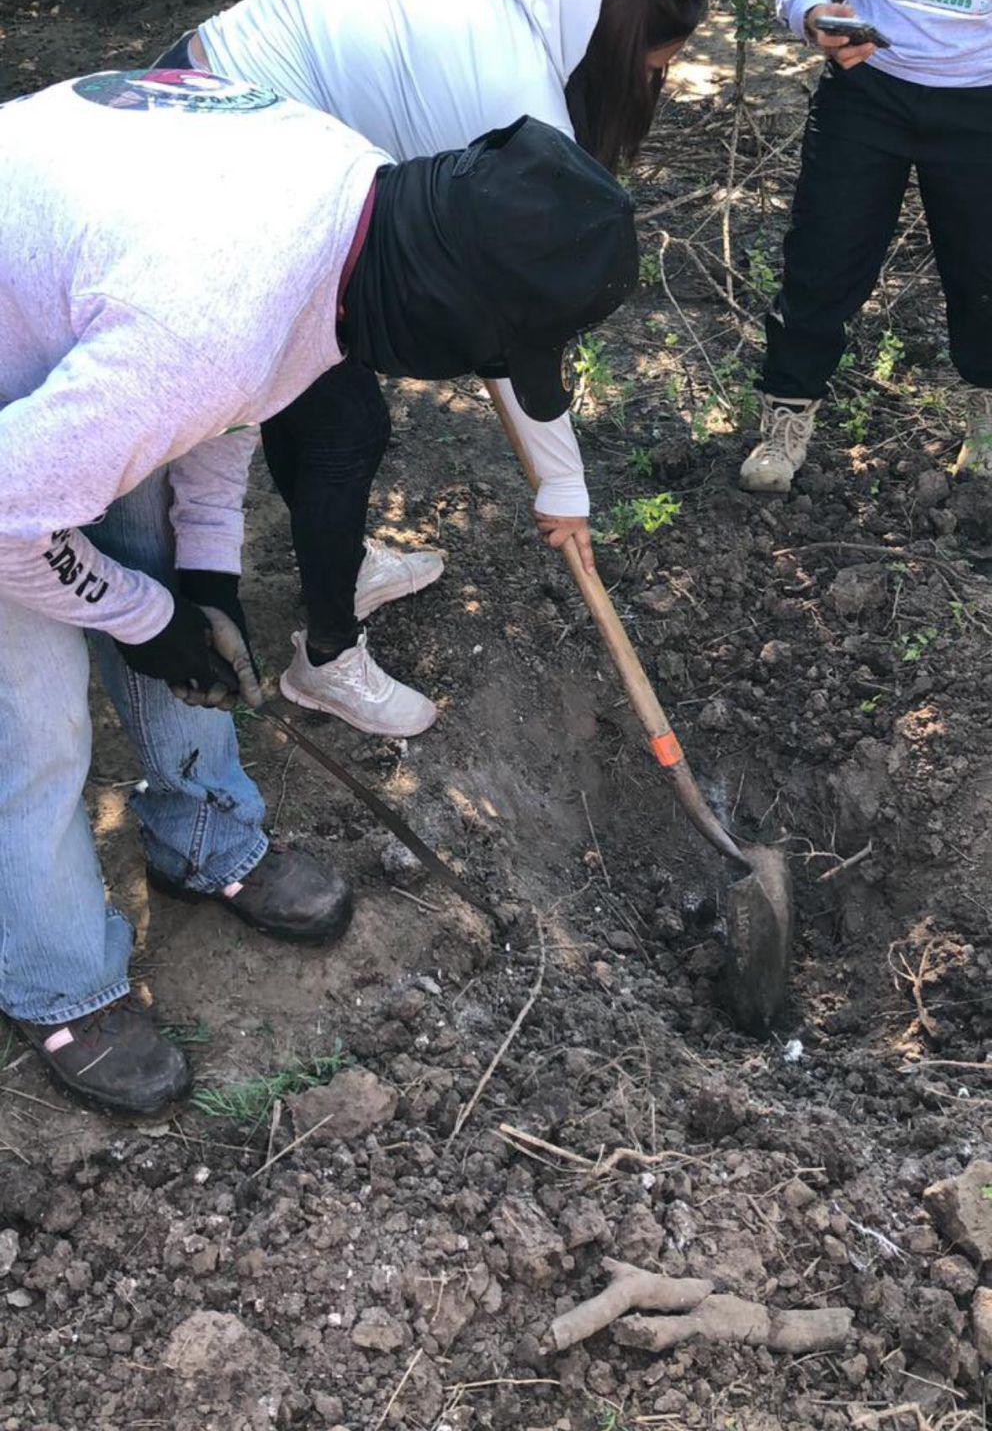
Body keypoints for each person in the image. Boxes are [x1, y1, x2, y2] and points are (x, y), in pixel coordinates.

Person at [0, 66, 637, 1116]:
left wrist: (204, 573)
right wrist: (144, 618)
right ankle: (58, 976)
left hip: (81, 318)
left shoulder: (355, 212)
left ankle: (205, 836)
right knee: (32, 716)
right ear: (441, 310)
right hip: (26, 401)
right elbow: (16, 512)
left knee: (169, 576)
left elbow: (234, 402)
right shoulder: (210, 317)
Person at [162, 0, 702, 733]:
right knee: (345, 424)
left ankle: (342, 567)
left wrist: (563, 479)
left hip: (206, 107)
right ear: (619, 41)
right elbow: (512, 317)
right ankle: (327, 660)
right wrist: (564, 487)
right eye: (657, 65)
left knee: (318, 391)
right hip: (216, 168)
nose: (658, 80)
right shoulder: (508, 88)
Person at [739, 0, 992, 495]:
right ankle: (786, 418)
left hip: (984, 91)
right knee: (823, 257)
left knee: (985, 267)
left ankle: (989, 425)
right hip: (870, 84)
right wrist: (810, 10)